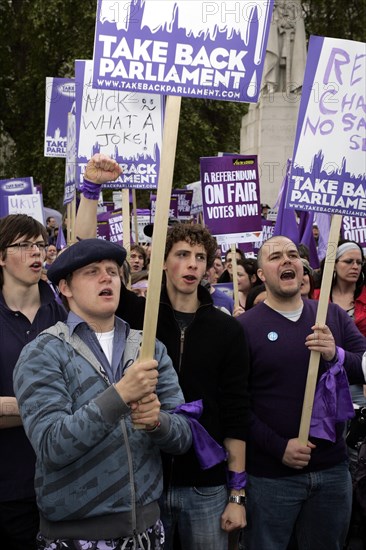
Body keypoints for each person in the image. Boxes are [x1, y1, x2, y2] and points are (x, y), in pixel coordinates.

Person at [74, 154, 250, 550]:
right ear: (162, 263)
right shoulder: (134, 313)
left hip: (206, 486)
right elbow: (84, 250)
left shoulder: (227, 330)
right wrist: (92, 188)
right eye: (182, 255)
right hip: (144, 482)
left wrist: (237, 494)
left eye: (200, 257)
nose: (192, 264)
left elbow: (237, 412)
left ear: (209, 268)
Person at [13, 238, 192, 550]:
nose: (107, 277)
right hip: (77, 537)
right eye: (92, 272)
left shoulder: (147, 347)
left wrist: (157, 422)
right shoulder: (42, 353)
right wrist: (120, 395)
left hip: (149, 531)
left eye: (112, 271)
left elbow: (184, 436)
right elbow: (51, 445)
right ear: (65, 288)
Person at [237, 235, 366, 550]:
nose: (286, 259)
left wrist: (335, 354)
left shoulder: (331, 315)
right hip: (271, 477)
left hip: (333, 471)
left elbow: (363, 365)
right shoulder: (243, 328)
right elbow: (237, 405)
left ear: (303, 267)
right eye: (275, 256)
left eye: (292, 254)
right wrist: (279, 447)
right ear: (261, 274)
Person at [0, 213, 67, 550]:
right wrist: (44, 409)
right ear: (0, 257)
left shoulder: (64, 315)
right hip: (7, 487)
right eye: (23, 246)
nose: (36, 253)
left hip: (63, 487)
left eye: (40, 245)